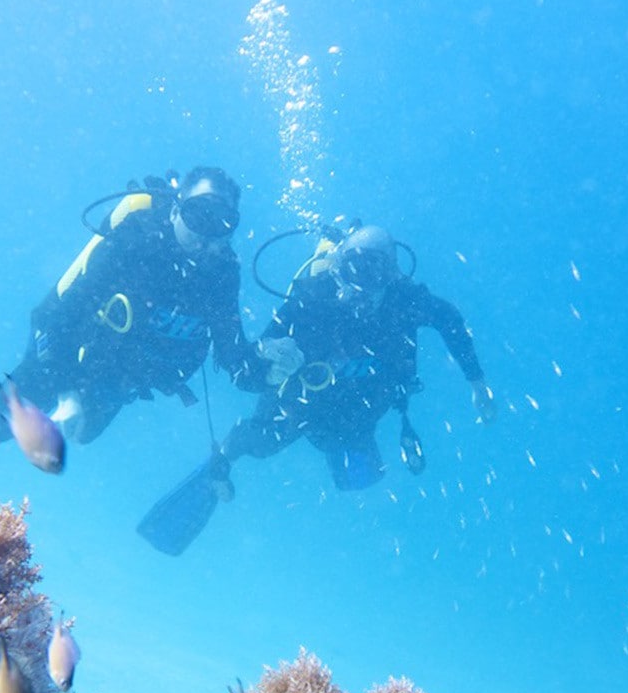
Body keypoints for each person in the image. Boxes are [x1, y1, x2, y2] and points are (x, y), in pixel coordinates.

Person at [0, 167, 291, 445]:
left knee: (85, 436)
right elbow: (52, 315)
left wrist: (271, 366)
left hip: (121, 377)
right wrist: (68, 387)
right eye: (198, 216)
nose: (207, 234)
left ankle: (77, 402)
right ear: (175, 210)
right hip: (67, 352)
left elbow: (234, 361)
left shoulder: (222, 275)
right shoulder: (133, 244)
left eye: (223, 223)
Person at [137, 224, 497, 555]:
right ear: (338, 267)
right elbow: (251, 367)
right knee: (261, 443)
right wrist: (270, 360)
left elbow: (451, 321)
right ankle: (223, 458)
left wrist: (476, 380)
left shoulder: (406, 299)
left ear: (391, 277)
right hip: (300, 405)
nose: (361, 288)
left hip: (362, 408)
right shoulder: (311, 297)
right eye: (354, 271)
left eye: (375, 274)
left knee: (360, 479)